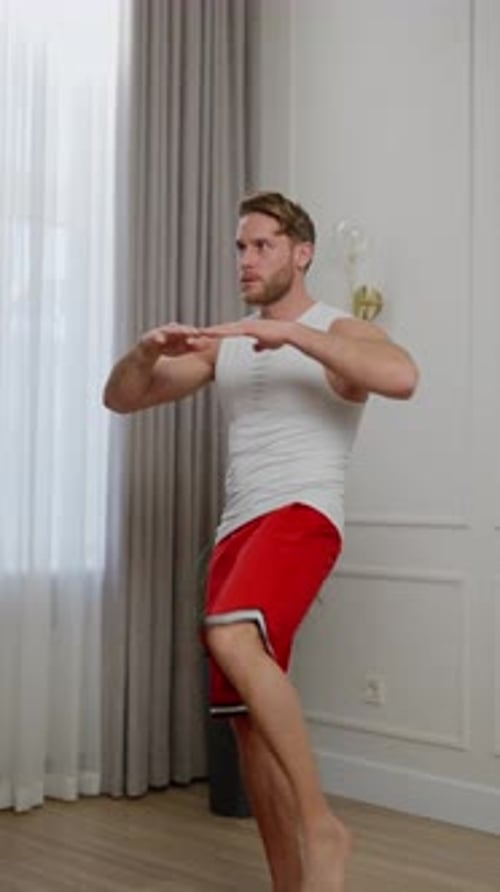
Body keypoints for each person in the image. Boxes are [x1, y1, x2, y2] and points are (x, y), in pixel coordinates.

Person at [103, 191, 419, 892]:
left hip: (302, 514)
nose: (246, 259)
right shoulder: (229, 345)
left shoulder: (338, 330)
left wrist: (294, 336)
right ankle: (290, 882)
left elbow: (401, 377)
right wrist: (144, 350)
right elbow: (123, 398)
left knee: (231, 635)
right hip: (236, 532)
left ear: (301, 253)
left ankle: (322, 826)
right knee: (246, 723)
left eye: (262, 245)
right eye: (240, 247)